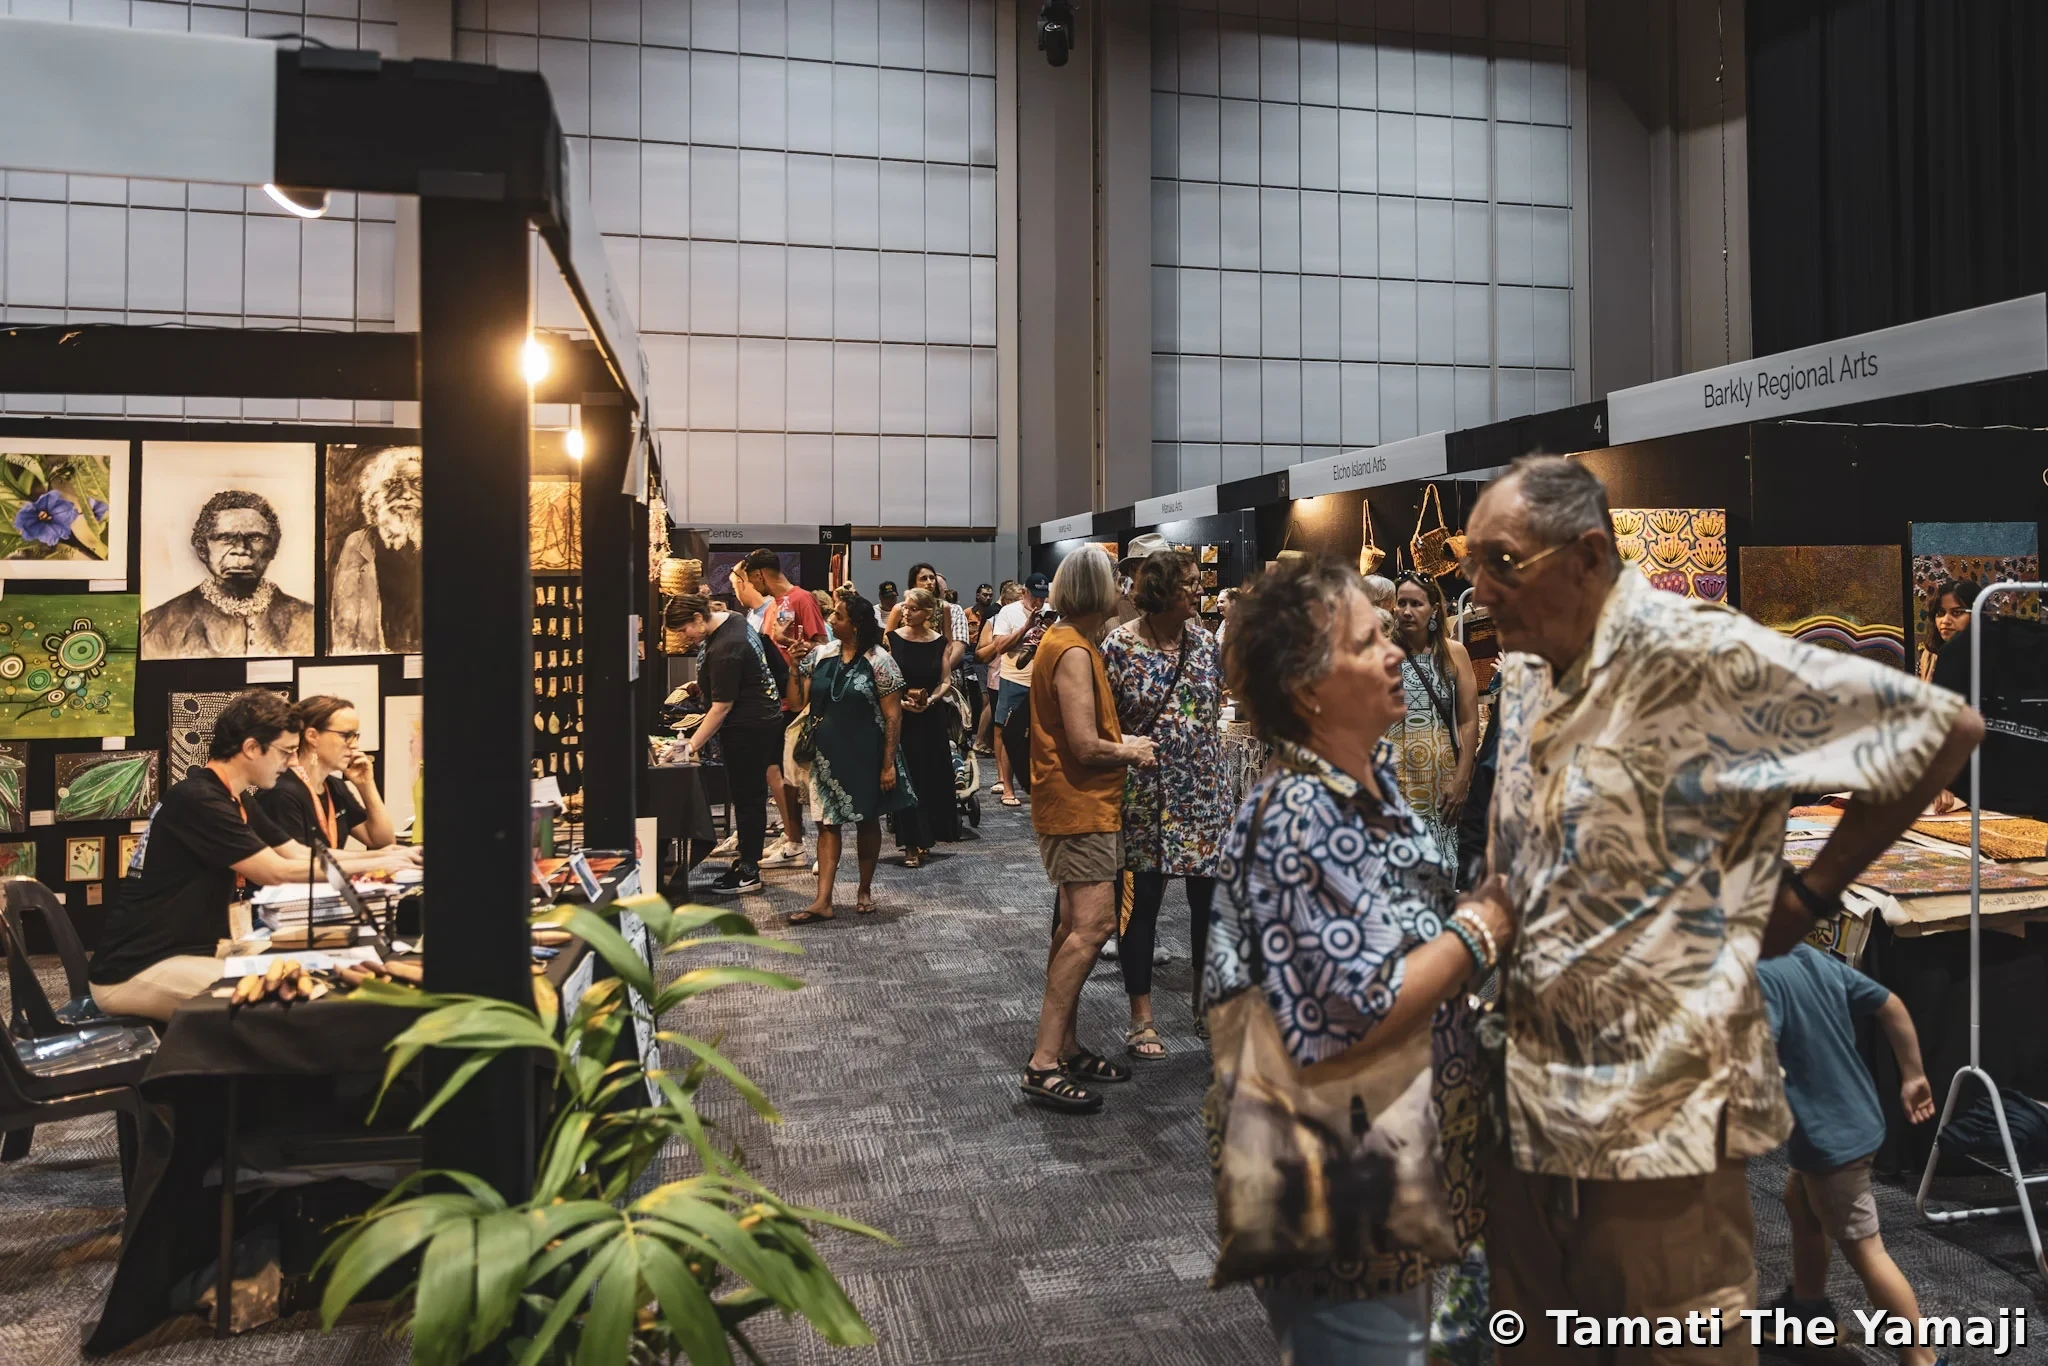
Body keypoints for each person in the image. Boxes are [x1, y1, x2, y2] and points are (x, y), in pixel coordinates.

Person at [1467, 457, 1981, 1363]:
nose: (1478, 591)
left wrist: (1808, 894)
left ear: (1588, 554)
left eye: (1500, 562)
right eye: (1472, 563)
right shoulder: (1526, 667)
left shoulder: (1697, 654)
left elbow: (1939, 731)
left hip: (1660, 1125)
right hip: (1525, 1107)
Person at [1205, 556, 1516, 1364]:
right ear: (1308, 686)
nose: (1392, 653)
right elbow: (1353, 1010)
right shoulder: (1297, 815)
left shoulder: (1356, 781)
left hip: (1407, 1156)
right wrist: (1480, 929)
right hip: (1347, 1186)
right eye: (1369, 639)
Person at [86, 691, 415, 1022]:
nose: (290, 762)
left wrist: (386, 854)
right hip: (138, 968)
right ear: (251, 748)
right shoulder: (200, 800)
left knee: (312, 973)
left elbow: (299, 854)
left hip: (192, 950)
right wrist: (379, 862)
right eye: (285, 752)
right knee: (284, 1006)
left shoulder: (235, 797)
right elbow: (275, 872)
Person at [1756, 945, 1944, 1366]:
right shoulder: (1805, 955)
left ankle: (1922, 1358)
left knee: (1867, 1250)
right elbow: (1889, 1003)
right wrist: (1913, 1075)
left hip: (1830, 1140)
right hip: (1856, 1117)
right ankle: (1807, 1311)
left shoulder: (1756, 976)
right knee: (1800, 1203)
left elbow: (1758, 1062)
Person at [1021, 547, 1158, 1113]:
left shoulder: (1069, 642)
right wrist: (1131, 749)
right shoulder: (1073, 650)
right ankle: (1044, 1062)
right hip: (1079, 807)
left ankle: (1067, 1047)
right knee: (1093, 927)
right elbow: (1083, 744)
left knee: (1072, 927)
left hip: (1078, 805)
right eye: (1115, 580)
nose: (1123, 588)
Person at [1100, 548, 1228, 1061]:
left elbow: (1215, 702)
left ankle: (1207, 1006)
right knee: (1141, 909)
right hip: (1143, 797)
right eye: (1189, 584)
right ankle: (1141, 1019)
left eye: (1198, 582)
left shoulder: (1203, 641)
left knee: (1210, 909)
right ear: (1159, 591)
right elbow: (1104, 723)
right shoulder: (1119, 646)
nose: (1199, 590)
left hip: (1203, 794)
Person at [788, 593, 915, 923]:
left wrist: (888, 765)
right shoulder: (821, 655)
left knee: (867, 821)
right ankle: (823, 900)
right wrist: (792, 665)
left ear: (855, 625)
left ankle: (864, 889)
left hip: (866, 754)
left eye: (839, 616)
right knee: (827, 825)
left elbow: (893, 717)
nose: (831, 620)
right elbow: (796, 699)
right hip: (825, 757)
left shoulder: (880, 660)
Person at [669, 593, 787, 895]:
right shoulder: (732, 619)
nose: (685, 638)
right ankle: (747, 860)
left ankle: (749, 869)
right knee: (748, 796)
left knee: (748, 797)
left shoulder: (727, 648)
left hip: (749, 727)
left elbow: (721, 708)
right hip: (760, 719)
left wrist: (689, 746)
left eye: (684, 630)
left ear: (698, 618)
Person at [141, 490, 315, 658]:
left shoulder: (307, 620)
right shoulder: (158, 624)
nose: (241, 549)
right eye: (226, 538)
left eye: (255, 538)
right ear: (203, 549)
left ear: (272, 549)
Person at [744, 548, 827, 868]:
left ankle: (819, 847)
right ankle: (793, 839)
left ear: (759, 574)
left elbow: (823, 644)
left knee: (809, 776)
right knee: (779, 772)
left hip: (801, 699)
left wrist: (801, 650)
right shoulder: (774, 606)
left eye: (751, 579)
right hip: (776, 699)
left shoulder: (802, 599)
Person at [1389, 571, 1478, 867]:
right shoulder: (1379, 654)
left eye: (1416, 603)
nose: (1406, 611)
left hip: (1441, 782)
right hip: (1392, 781)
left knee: (1441, 875)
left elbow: (1468, 720)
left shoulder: (1454, 654)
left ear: (1434, 610)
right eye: (1401, 603)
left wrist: (1463, 777)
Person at [254, 695, 399, 855]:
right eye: (345, 735)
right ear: (312, 736)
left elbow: (382, 842)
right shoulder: (280, 791)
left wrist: (366, 785)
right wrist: (378, 857)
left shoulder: (335, 786)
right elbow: (298, 862)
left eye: (355, 736)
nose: (354, 745)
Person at [886, 587, 961, 864]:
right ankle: (910, 844)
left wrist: (930, 700)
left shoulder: (940, 642)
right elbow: (885, 676)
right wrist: (900, 701)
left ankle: (925, 835)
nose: (906, 612)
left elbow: (945, 680)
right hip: (902, 717)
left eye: (913, 608)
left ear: (927, 613)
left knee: (930, 777)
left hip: (930, 717)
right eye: (905, 607)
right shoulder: (892, 639)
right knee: (908, 778)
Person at [329, 446, 423, 654]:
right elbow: (344, 621)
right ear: (376, 495)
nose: (406, 494)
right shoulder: (359, 543)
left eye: (417, 483)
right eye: (394, 484)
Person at [981, 573, 1052, 807]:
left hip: (1042, 681)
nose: (1039, 602)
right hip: (1014, 680)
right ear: (1025, 593)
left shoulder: (1051, 611)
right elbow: (999, 646)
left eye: (1043, 597)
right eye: (1035, 597)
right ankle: (1007, 788)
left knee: (1043, 736)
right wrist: (1026, 627)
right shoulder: (1008, 612)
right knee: (1007, 733)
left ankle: (1040, 787)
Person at [1917, 577, 1980, 682]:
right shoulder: (1930, 655)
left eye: (1956, 613)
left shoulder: (1989, 658)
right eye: (1940, 613)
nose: (1945, 620)